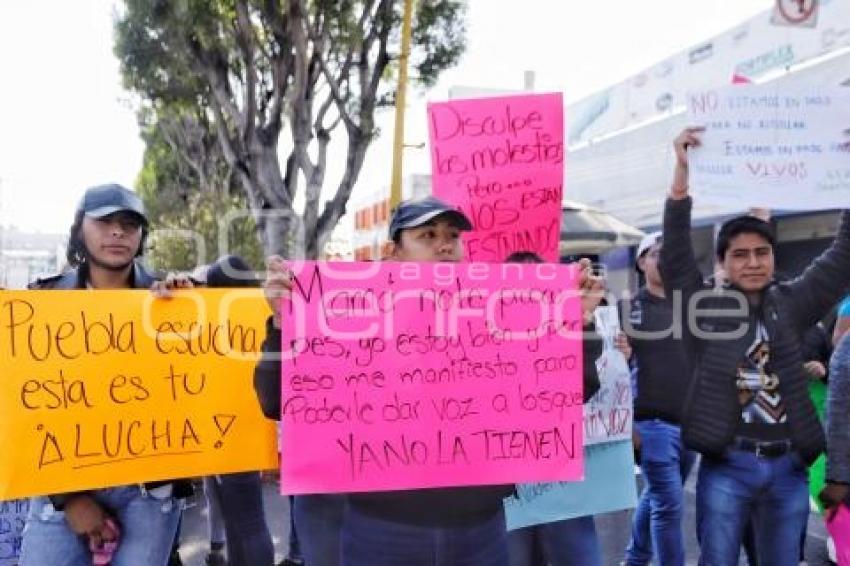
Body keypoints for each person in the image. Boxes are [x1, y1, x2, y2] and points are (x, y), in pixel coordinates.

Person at [256, 196, 606, 566]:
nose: (444, 244)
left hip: (483, 529)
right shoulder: (349, 320)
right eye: (428, 235)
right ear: (394, 252)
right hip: (383, 530)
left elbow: (574, 391)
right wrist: (282, 325)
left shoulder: (497, 318)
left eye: (453, 235)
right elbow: (275, 400)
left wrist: (578, 324)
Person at [662, 127, 850, 566]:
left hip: (789, 471)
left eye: (761, 253)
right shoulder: (702, 307)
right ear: (723, 263)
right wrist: (681, 176)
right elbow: (674, 257)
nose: (752, 262)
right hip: (728, 466)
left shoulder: (795, 301)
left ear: (773, 258)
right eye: (740, 254)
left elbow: (844, 254)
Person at [20, 183, 192, 566]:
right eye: (105, 221)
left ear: (142, 235)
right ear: (80, 228)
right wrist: (69, 499)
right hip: (61, 486)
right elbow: (24, 411)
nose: (118, 231)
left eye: (130, 224)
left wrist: (192, 306)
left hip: (151, 491)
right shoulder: (39, 304)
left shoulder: (175, 298)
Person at [503, 250, 605, 566]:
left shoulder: (561, 335)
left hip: (558, 479)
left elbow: (583, 388)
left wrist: (582, 320)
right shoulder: (482, 345)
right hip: (504, 491)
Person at [623, 231, 697, 566]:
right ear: (641, 262)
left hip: (691, 423)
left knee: (657, 497)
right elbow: (612, 371)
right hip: (650, 424)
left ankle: (635, 558)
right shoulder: (627, 309)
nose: (665, 260)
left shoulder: (691, 305)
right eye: (656, 254)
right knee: (668, 505)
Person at [198, 255, 277, 566]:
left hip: (235, 429)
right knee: (238, 516)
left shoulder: (221, 320)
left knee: (248, 520)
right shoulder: (263, 316)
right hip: (239, 427)